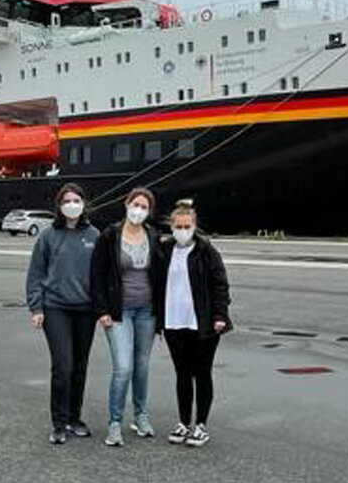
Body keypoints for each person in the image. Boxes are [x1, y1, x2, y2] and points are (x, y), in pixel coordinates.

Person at [25, 183, 100, 445]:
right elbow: (35, 273)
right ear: (59, 206)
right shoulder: (48, 236)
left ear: (83, 203)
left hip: (86, 310)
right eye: (67, 201)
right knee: (63, 366)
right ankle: (58, 422)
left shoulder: (94, 235)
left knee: (80, 367)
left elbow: (101, 276)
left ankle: (74, 417)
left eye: (76, 200)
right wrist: (36, 307)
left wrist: (103, 309)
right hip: (56, 308)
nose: (72, 205)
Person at [154, 200, 231, 448]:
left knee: (202, 373)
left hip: (203, 323)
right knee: (182, 374)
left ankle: (201, 425)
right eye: (179, 226)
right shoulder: (165, 250)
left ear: (195, 226)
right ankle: (184, 422)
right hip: (174, 322)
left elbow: (220, 285)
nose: (183, 230)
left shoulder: (207, 251)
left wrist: (220, 315)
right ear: (172, 226)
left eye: (187, 226)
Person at [91, 186, 164, 447]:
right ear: (126, 204)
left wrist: (161, 314)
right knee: (124, 367)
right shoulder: (110, 235)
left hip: (147, 311)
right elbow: (96, 275)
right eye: (136, 205)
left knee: (142, 366)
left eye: (144, 207)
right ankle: (114, 422)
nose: (139, 210)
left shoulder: (153, 236)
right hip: (118, 312)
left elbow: (161, 275)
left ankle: (141, 416)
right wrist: (101, 310)